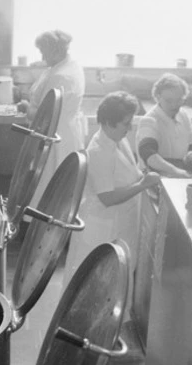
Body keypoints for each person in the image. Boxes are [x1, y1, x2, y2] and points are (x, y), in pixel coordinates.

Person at [62, 91, 161, 301]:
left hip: (121, 224)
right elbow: (107, 197)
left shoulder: (117, 139)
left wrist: (141, 177)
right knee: (96, 285)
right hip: (103, 228)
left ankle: (113, 326)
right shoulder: (98, 151)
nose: (130, 128)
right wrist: (143, 184)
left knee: (116, 281)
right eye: (126, 123)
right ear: (108, 123)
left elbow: (128, 174)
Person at [21, 30, 87, 204]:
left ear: (56, 51)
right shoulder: (67, 65)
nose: (42, 56)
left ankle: (38, 227)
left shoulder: (61, 76)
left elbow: (46, 114)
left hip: (55, 136)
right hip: (63, 132)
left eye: (44, 52)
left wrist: (27, 108)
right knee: (56, 189)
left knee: (48, 187)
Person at [135, 73, 192, 178]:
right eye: (169, 101)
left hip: (179, 172)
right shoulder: (149, 121)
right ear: (158, 97)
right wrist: (176, 171)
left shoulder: (183, 115)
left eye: (179, 100)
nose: (174, 105)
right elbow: (150, 156)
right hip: (152, 177)